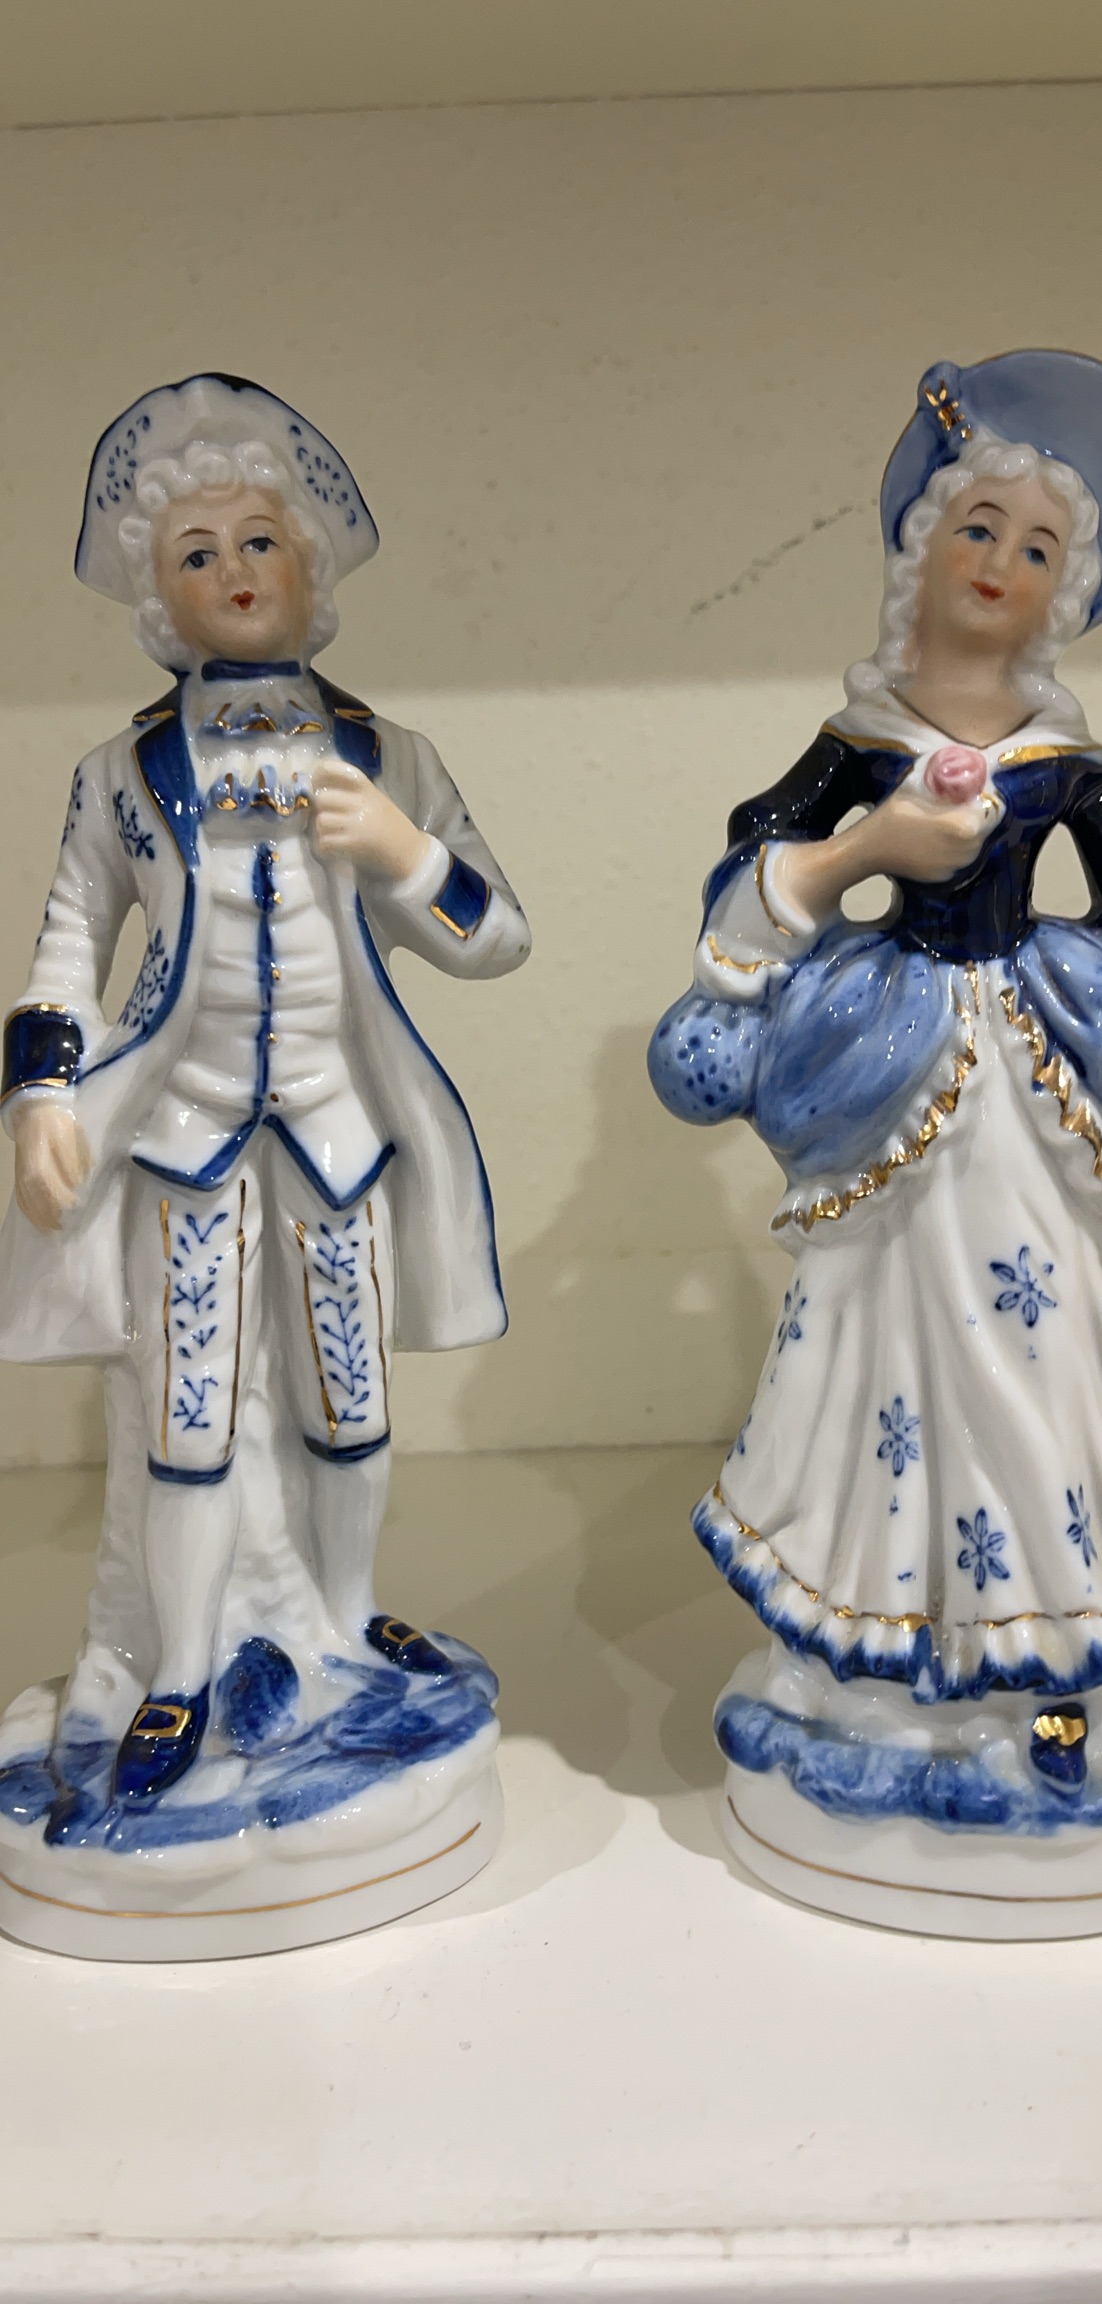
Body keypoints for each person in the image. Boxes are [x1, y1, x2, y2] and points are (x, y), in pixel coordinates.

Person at [649, 352, 1102, 1925]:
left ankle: (1056, 1658)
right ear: (924, 546)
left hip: (1030, 1074)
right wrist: (873, 844)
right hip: (890, 1062)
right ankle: (879, 1656)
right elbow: (751, 883)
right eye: (980, 526)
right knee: (887, 1356)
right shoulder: (859, 739)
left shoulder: (1068, 757)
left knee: (1048, 1353)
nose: (1000, 562)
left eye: (1037, 548)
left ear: (1064, 594)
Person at [0, 375, 530, 1829]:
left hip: (338, 1134)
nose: (234, 572)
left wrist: (407, 853)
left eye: (258, 543)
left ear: (308, 567)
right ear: (158, 600)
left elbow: (496, 936)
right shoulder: (122, 776)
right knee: (189, 1422)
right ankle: (178, 1672)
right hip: (184, 1143)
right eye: (197, 553)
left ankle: (344, 1623)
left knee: (348, 1403)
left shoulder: (390, 759)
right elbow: (65, 943)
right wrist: (41, 1095)